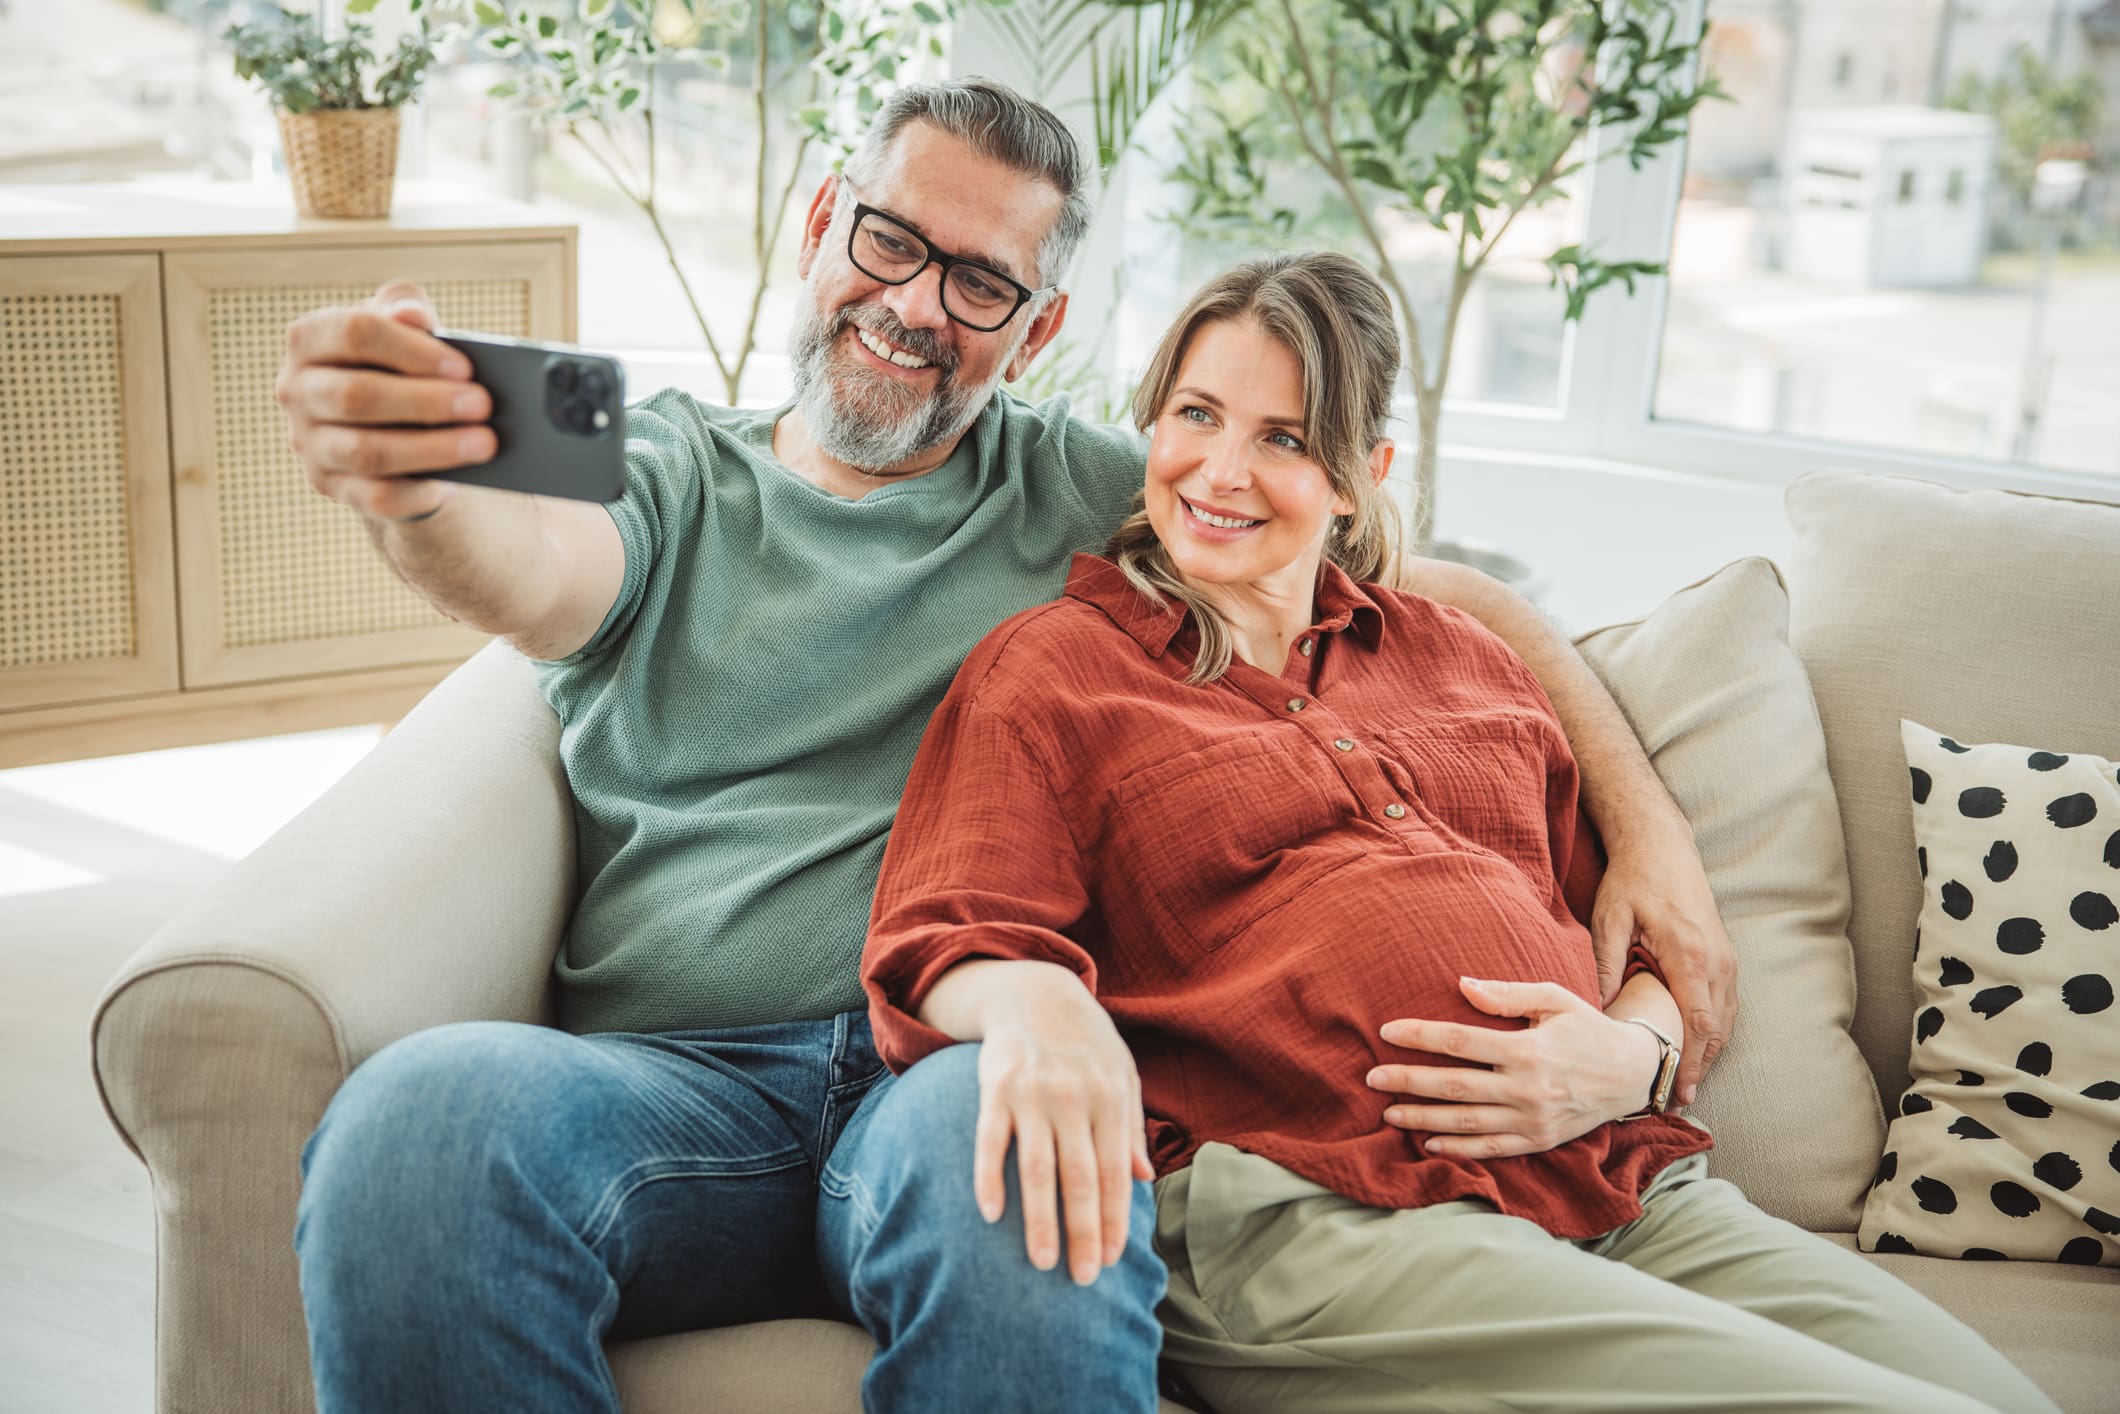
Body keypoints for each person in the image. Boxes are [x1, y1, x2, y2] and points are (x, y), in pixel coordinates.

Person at [276, 78, 1735, 1412]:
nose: (915, 304)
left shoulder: (1087, 488)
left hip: (956, 1060)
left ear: (1037, 329)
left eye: (980, 281)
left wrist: (1653, 833)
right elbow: (520, 562)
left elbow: (1442, 593)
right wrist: (414, 494)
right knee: (412, 1124)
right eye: (892, 239)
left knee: (1029, 1155)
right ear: (817, 223)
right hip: (679, 1086)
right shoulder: (660, 463)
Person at [863, 251, 2062, 1414]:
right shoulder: (1057, 668)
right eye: (1196, 414)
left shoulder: (1462, 659)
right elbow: (946, 933)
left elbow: (1643, 948)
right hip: (1313, 1205)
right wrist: (1042, 1008)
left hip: (1622, 1183)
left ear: (1357, 474)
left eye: (1282, 438)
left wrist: (1627, 1059)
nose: (1220, 470)